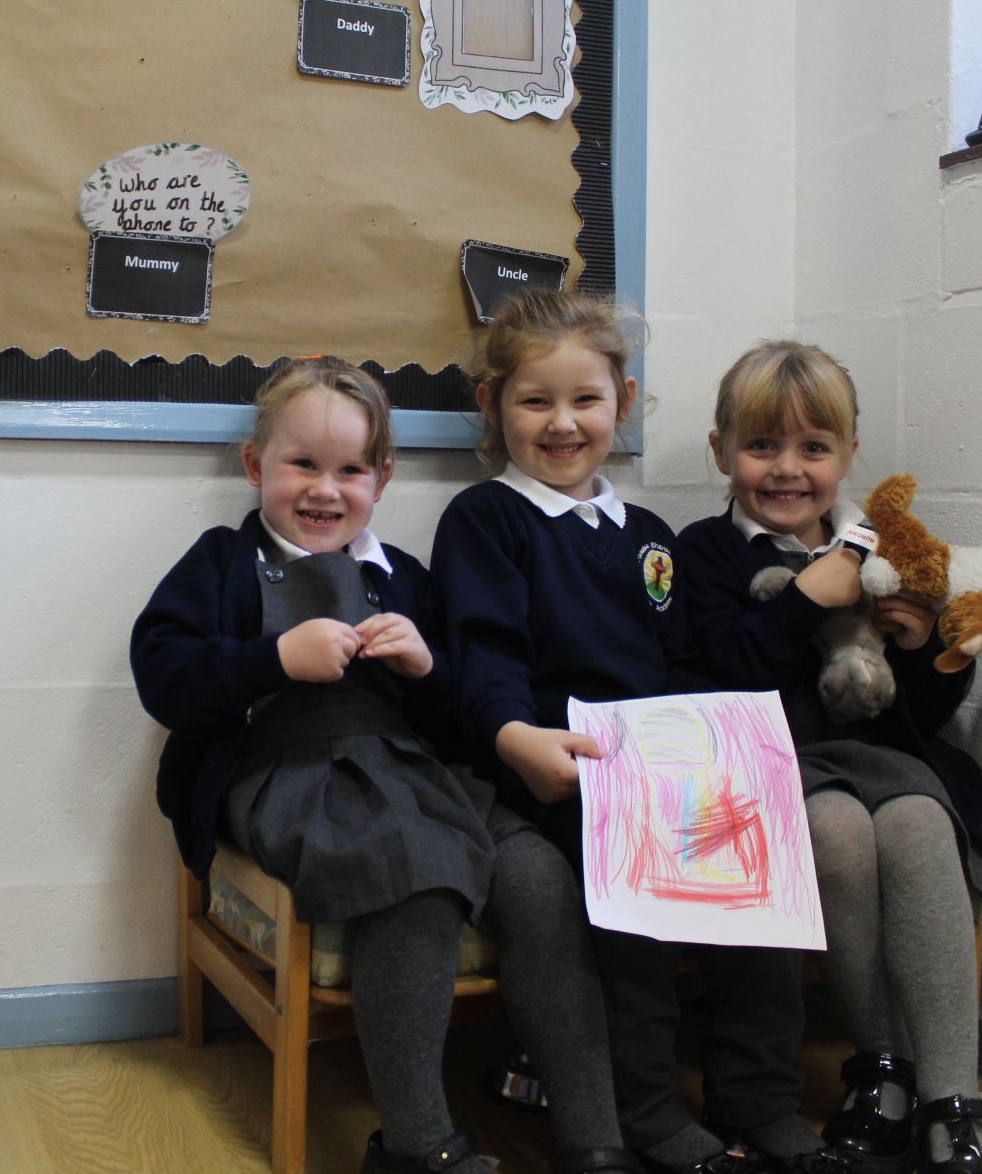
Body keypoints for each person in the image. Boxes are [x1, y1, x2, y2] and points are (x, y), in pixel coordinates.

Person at [131, 356, 640, 1174]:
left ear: (383, 477)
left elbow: (456, 725)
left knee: (538, 873)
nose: (325, 490)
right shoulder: (222, 562)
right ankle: (415, 1142)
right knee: (414, 861)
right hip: (288, 774)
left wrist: (425, 669)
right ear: (258, 465)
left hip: (413, 770)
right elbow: (164, 676)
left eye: (351, 470)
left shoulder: (401, 576)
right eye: (303, 464)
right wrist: (273, 659)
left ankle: (593, 1134)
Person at [431, 292, 833, 1174]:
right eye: (536, 401)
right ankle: (648, 1114)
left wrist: (712, 753)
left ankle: (758, 1099)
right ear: (493, 406)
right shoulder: (486, 521)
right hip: (554, 770)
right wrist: (513, 736)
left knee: (758, 891)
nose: (563, 423)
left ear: (624, 400)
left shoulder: (649, 537)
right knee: (636, 922)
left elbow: (681, 661)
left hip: (661, 766)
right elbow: (483, 656)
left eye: (586, 400)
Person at [677, 340, 982, 1174]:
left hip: (885, 762)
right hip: (780, 764)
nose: (787, 470)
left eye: (813, 448)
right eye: (762, 446)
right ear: (721, 450)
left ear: (849, 455)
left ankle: (950, 1098)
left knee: (915, 823)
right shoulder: (704, 552)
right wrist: (802, 600)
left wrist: (939, 655)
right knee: (831, 827)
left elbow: (921, 715)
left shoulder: (881, 552)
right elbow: (722, 672)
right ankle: (880, 1068)